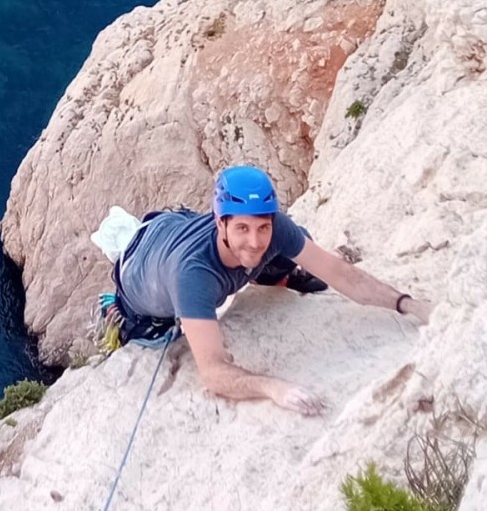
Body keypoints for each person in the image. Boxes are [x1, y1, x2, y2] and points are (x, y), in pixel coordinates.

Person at [111, 165, 432, 416]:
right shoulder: (192, 276)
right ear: (219, 223)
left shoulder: (275, 227)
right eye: (242, 228)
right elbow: (212, 372)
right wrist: (273, 388)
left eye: (262, 227)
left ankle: (275, 275)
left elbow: (341, 274)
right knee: (164, 321)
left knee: (293, 241)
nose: (255, 239)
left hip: (173, 229)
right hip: (138, 272)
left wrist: (408, 304)